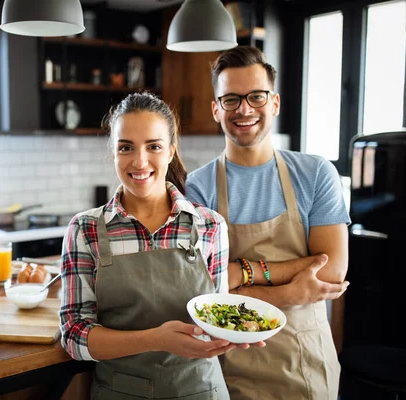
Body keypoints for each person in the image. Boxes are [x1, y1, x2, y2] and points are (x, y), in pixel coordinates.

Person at [59, 91, 263, 399]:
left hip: (202, 390)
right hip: (120, 392)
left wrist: (232, 332)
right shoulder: (85, 230)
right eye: (126, 147)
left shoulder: (209, 225)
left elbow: (215, 313)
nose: (140, 161)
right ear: (113, 153)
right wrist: (156, 339)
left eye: (153, 146)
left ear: (170, 151)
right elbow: (74, 336)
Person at [186, 45, 351, 400]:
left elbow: (332, 271)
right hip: (229, 366)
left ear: (274, 103)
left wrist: (242, 272)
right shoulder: (199, 186)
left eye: (256, 97)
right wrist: (288, 292)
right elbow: (205, 291)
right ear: (216, 109)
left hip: (304, 364)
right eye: (230, 99)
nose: (244, 109)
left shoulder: (315, 173)